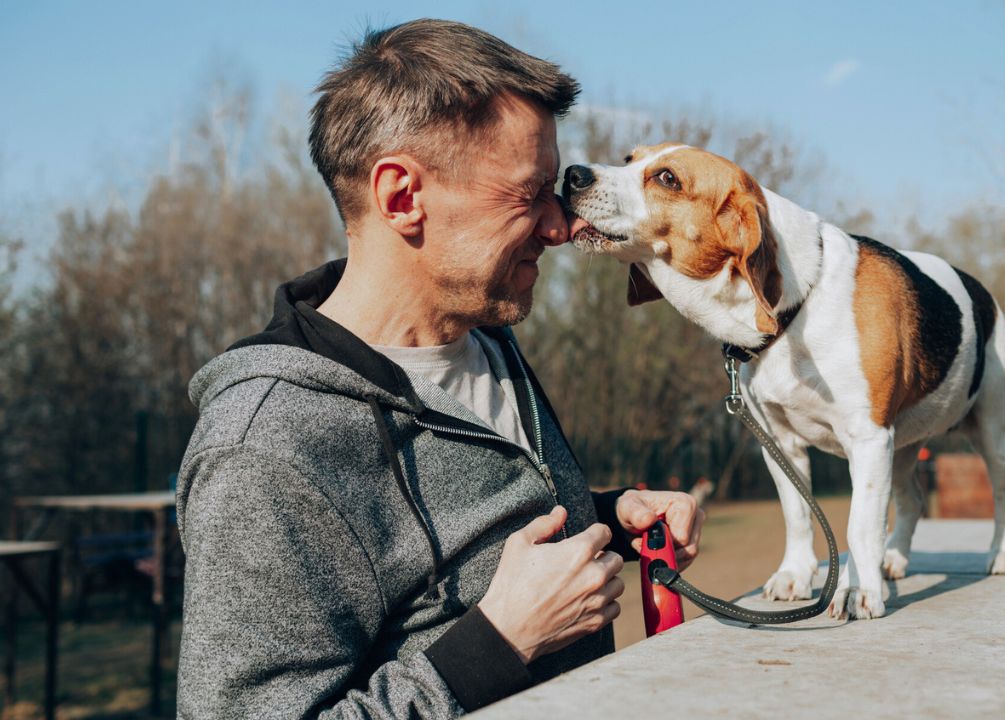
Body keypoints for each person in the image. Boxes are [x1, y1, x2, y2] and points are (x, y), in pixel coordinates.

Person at [175, 18, 705, 719]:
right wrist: (498, 643)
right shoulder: (266, 450)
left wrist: (603, 519)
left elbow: (463, 556)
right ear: (402, 198)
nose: (561, 225)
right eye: (529, 193)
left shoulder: (485, 336)